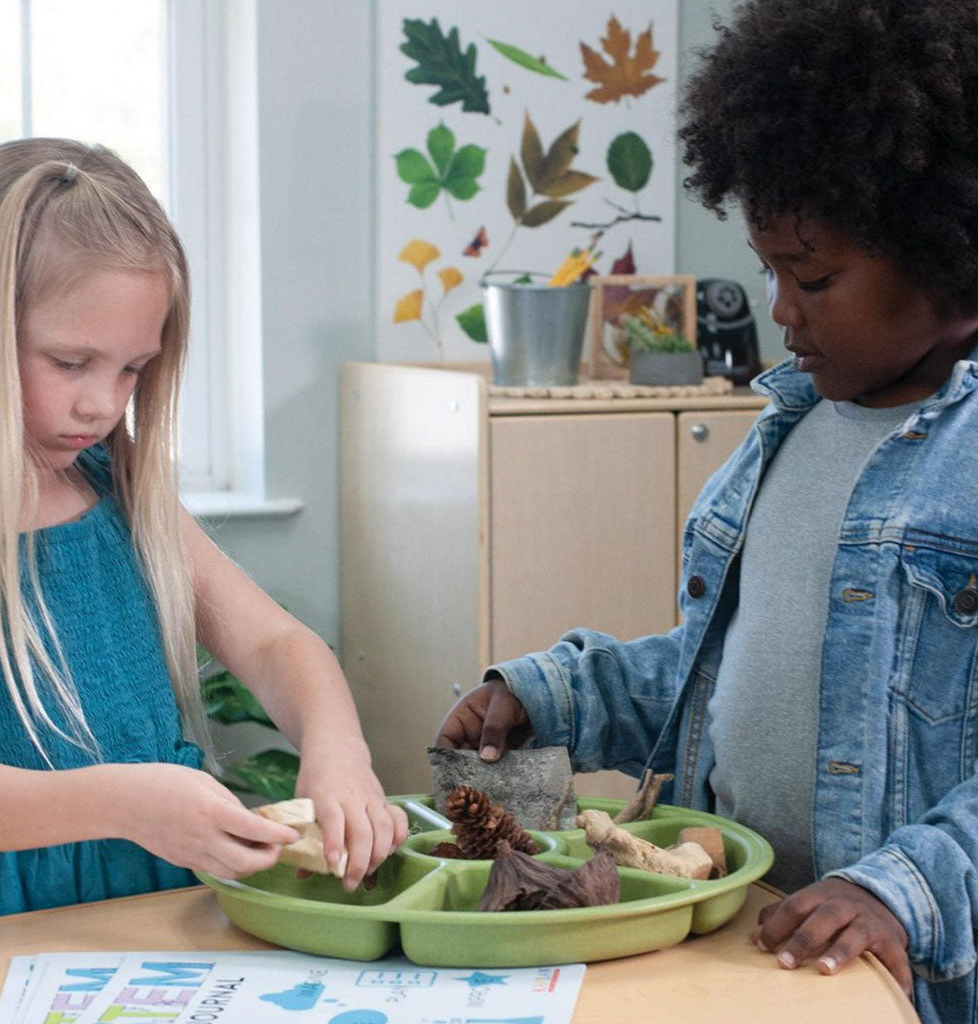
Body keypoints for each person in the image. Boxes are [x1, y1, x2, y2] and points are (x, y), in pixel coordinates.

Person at [437, 2, 978, 1021]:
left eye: (812, 276)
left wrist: (896, 890)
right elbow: (718, 680)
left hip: (899, 975)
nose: (779, 307)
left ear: (949, 253)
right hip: (741, 935)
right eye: (771, 269)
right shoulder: (783, 431)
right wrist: (550, 694)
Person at [0, 137, 407, 922]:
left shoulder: (122, 495)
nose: (105, 403)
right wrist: (121, 803)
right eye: (71, 362)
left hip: (159, 914)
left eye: (133, 368)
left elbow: (275, 646)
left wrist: (340, 754)